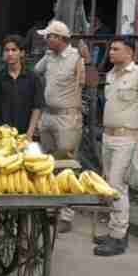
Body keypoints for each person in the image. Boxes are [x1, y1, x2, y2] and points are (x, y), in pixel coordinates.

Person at [93, 36, 138, 257]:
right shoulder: (110, 75)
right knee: (110, 185)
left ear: (130, 52)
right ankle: (115, 231)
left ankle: (118, 237)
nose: (111, 52)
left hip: (127, 138)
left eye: (116, 49)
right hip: (109, 136)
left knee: (118, 185)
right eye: (110, 48)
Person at [34, 20, 88, 233]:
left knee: (67, 164)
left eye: (49, 37)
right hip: (47, 115)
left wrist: (88, 61)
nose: (46, 40)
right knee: (47, 163)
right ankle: (49, 207)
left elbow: (88, 81)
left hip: (68, 118)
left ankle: (66, 214)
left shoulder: (77, 58)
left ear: (60, 39)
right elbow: (34, 73)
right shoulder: (48, 57)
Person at [0, 34, 43, 138]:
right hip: (0, 134)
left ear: (22, 53)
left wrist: (30, 132)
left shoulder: (33, 78)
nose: (10, 53)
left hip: (24, 135)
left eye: (14, 50)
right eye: (6, 50)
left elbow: (36, 108)